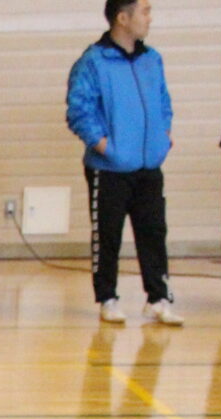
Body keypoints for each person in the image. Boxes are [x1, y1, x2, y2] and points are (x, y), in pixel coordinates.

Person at [66, 0, 183, 327]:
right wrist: (108, 148)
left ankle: (158, 297)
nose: (150, 17)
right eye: (144, 11)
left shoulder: (152, 59)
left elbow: (163, 102)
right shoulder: (93, 62)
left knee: (154, 231)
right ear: (122, 17)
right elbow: (79, 111)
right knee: (108, 234)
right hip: (110, 169)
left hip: (148, 166)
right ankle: (108, 297)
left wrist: (164, 135)